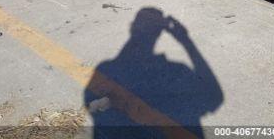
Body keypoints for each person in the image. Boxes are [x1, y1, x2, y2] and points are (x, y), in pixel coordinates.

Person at [84, 7, 223, 138]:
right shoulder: (177, 69)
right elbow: (215, 98)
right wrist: (186, 41)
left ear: (132, 27)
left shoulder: (105, 68)